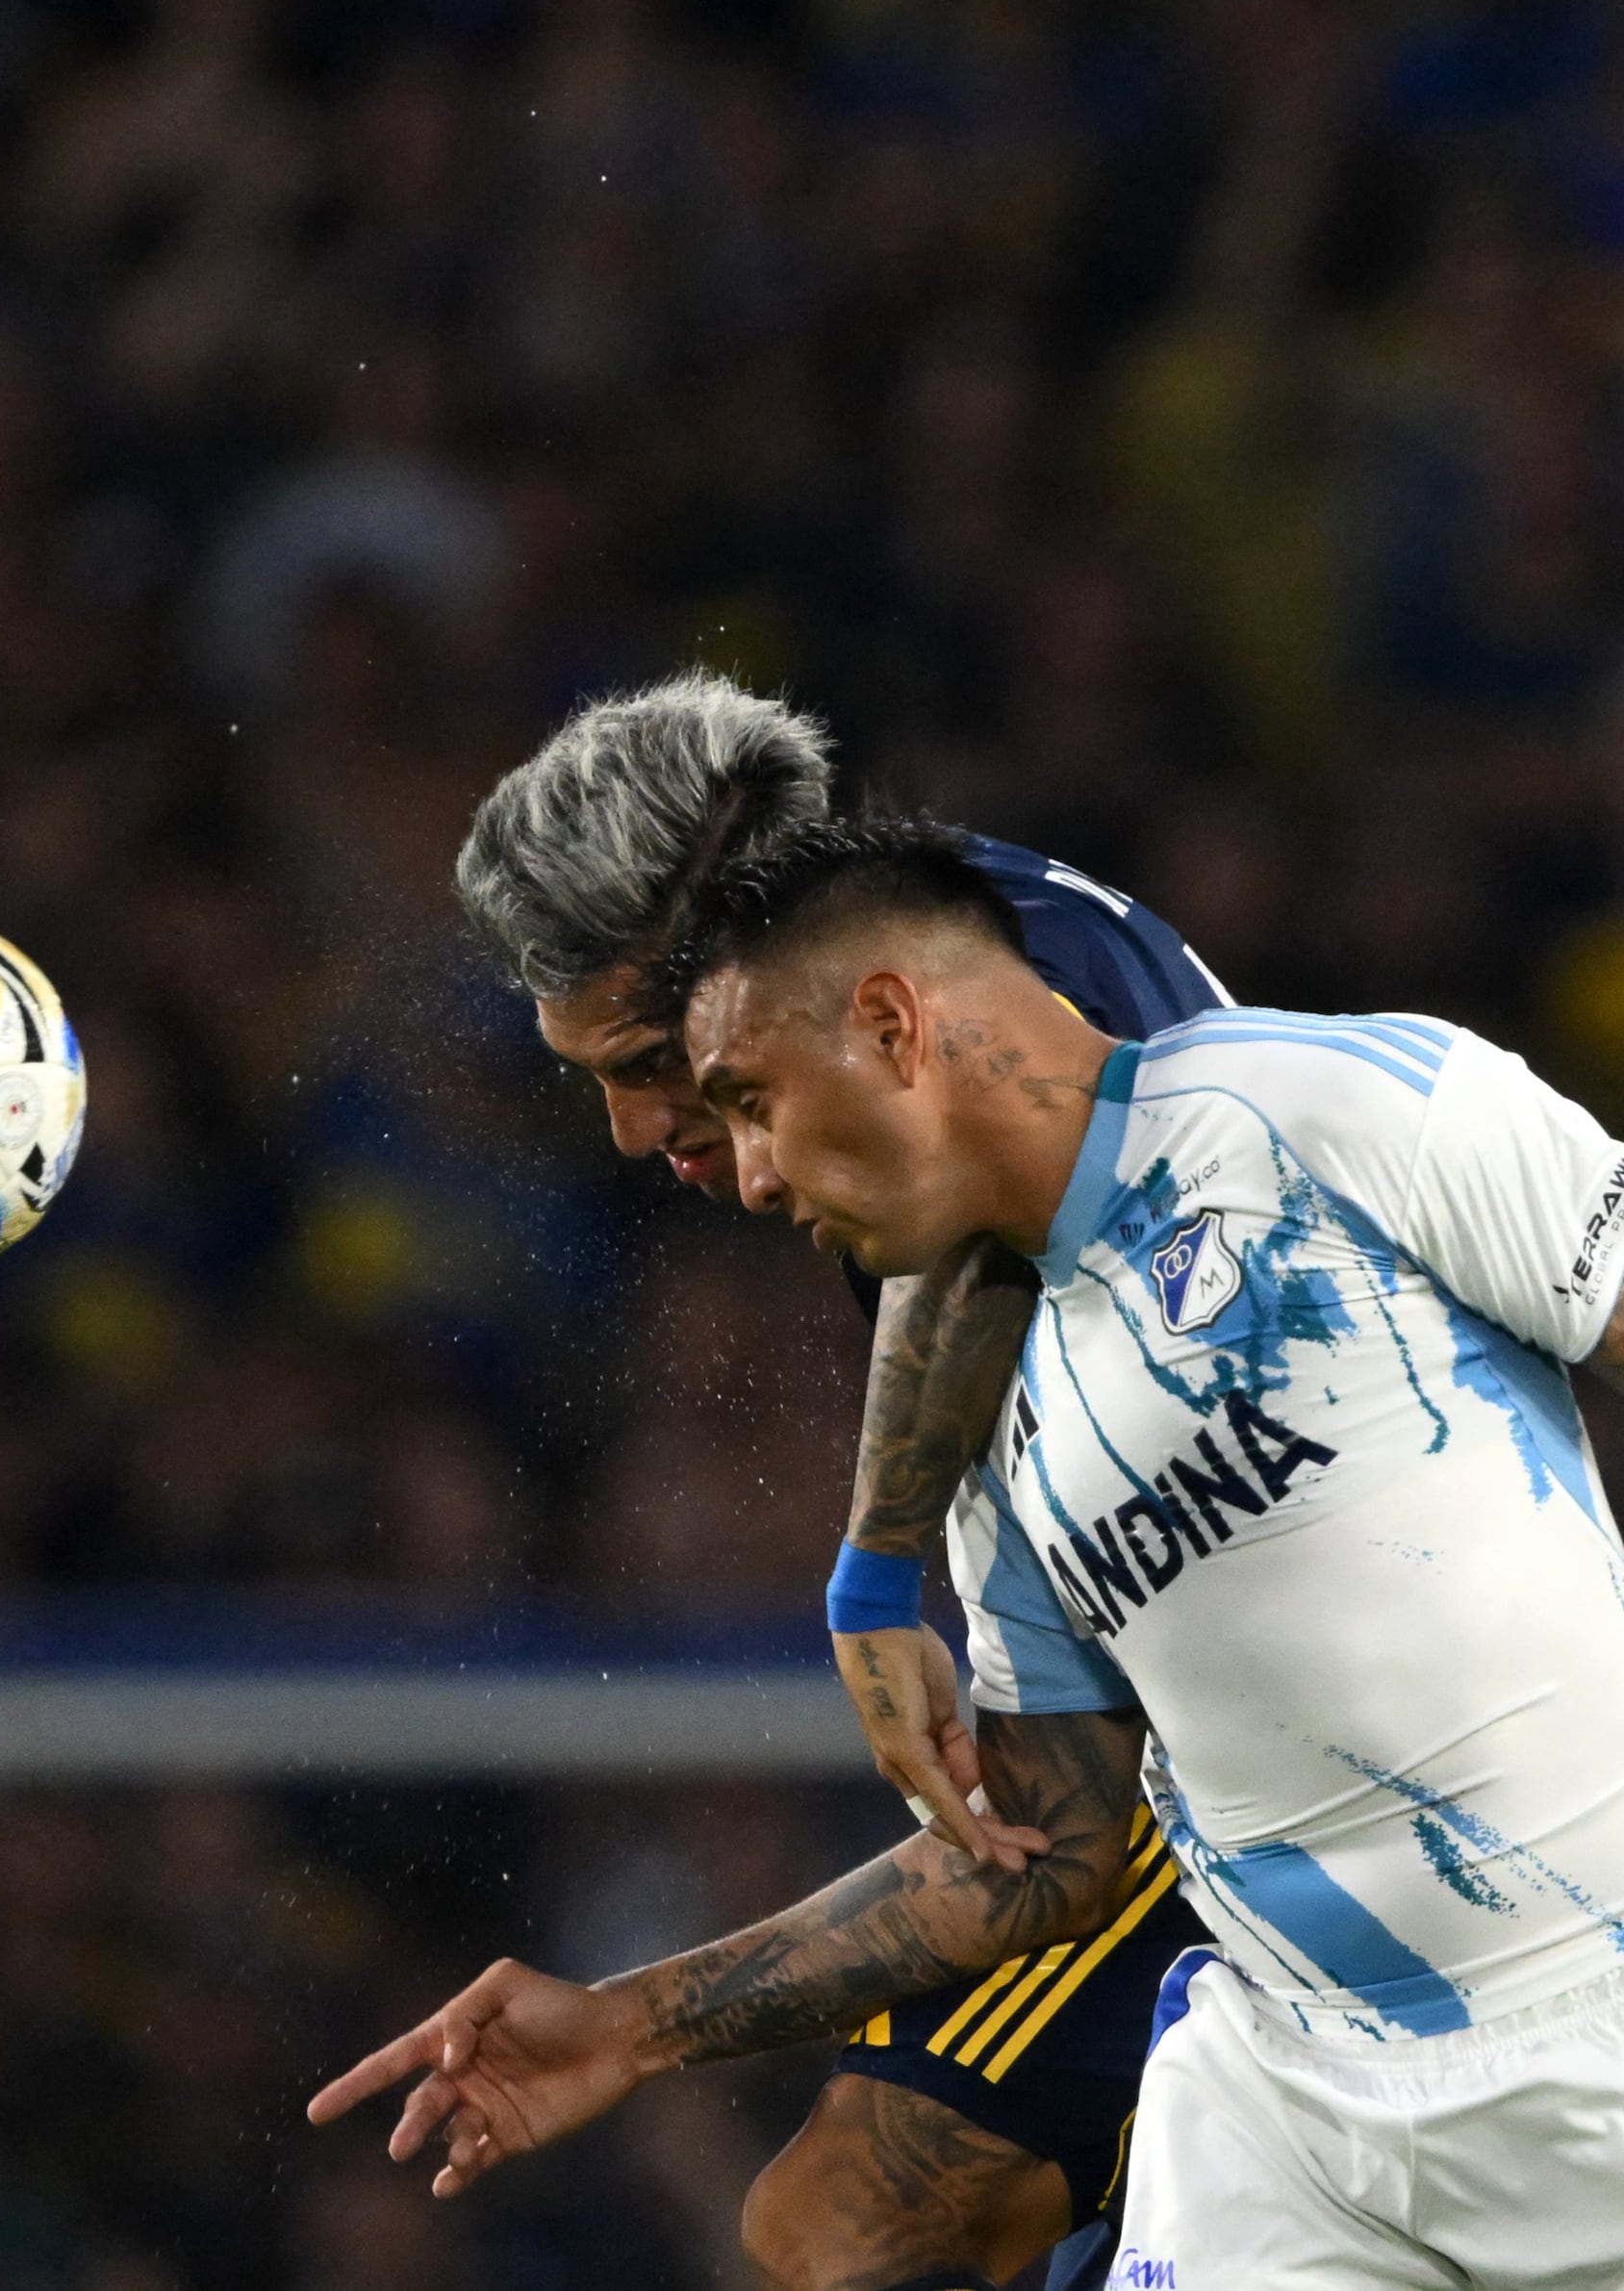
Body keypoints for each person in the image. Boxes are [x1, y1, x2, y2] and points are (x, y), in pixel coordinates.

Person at [330, 813, 1624, 2287]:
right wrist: (637, 2017)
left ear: (889, 1023)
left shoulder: (1347, 1112)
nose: (740, 1169)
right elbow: (1048, 1859)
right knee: (831, 2223)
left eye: (746, 1101)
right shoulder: (986, 1448)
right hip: (1294, 2104)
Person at [450, 679, 1228, 2291]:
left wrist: (875, 1576)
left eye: (656, 1056)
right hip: (1239, 1746)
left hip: (1287, 1792)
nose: (634, 1126)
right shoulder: (974, 972)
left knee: (850, 2226)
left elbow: (1064, 1826)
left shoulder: (994, 1040)